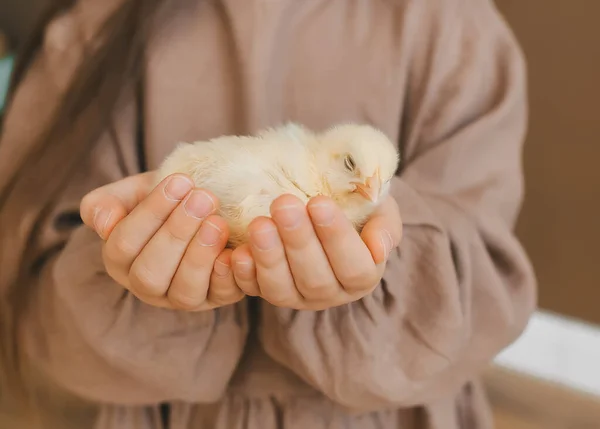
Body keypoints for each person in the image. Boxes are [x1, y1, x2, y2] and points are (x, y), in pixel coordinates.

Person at [0, 0, 537, 428]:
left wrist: (395, 261)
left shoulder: (454, 30)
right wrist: (120, 266)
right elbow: (30, 293)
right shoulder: (91, 32)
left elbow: (485, 291)